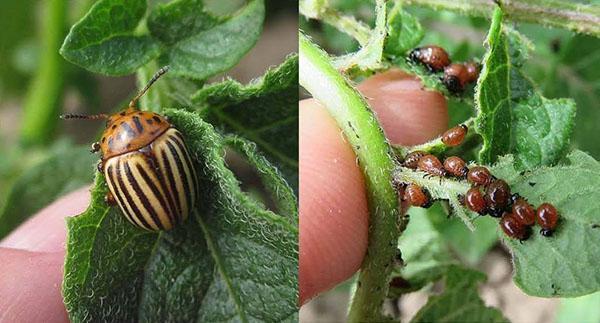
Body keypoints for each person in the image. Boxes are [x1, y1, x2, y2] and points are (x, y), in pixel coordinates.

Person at [0, 70, 449, 321]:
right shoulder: (168, 134)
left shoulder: (113, 159)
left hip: (147, 209)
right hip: (175, 197)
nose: (120, 120)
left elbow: (117, 172)